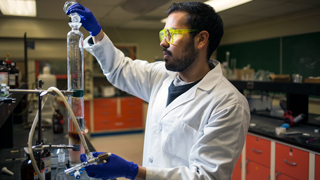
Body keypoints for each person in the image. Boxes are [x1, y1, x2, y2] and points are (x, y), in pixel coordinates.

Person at [67, 1, 250, 180]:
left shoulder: (229, 103)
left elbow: (206, 176)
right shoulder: (161, 75)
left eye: (172, 34)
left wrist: (134, 172)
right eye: (164, 33)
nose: (163, 42)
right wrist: (97, 32)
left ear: (201, 39)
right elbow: (119, 69)